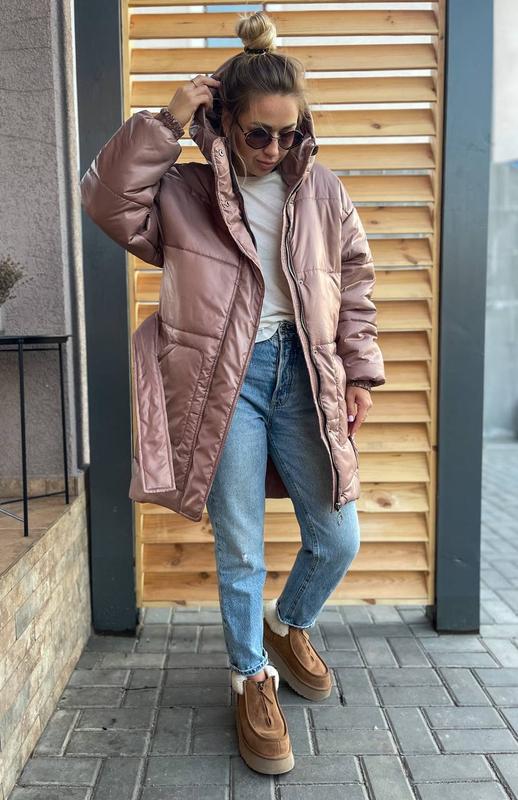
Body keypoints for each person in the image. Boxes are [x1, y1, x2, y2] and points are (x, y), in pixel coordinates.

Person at [80, 9, 385, 777]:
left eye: (289, 133)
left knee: (338, 536)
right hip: (225, 383)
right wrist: (166, 122)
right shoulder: (184, 194)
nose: (275, 148)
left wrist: (358, 373)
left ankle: (289, 623)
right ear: (226, 123)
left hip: (305, 379)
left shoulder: (323, 192)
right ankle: (251, 677)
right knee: (241, 544)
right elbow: (107, 203)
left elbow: (353, 283)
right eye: (259, 134)